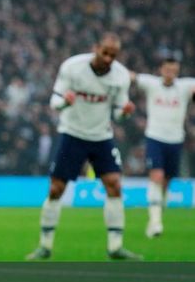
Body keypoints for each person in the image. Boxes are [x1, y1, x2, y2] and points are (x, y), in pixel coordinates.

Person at [26, 32, 142, 260]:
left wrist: (125, 114)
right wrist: (65, 102)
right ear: (95, 48)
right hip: (72, 134)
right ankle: (45, 245)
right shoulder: (72, 67)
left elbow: (118, 114)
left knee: (114, 185)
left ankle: (115, 247)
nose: (109, 58)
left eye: (113, 55)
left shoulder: (120, 76)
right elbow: (55, 101)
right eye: (105, 52)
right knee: (56, 189)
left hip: (101, 136)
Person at [130, 52, 195, 238]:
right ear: (161, 70)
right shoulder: (152, 84)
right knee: (156, 176)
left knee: (166, 182)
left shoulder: (185, 87)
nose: (170, 73)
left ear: (178, 72)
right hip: (155, 138)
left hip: (176, 140)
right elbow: (132, 77)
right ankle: (156, 222)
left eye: (174, 71)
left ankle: (155, 218)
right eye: (167, 70)